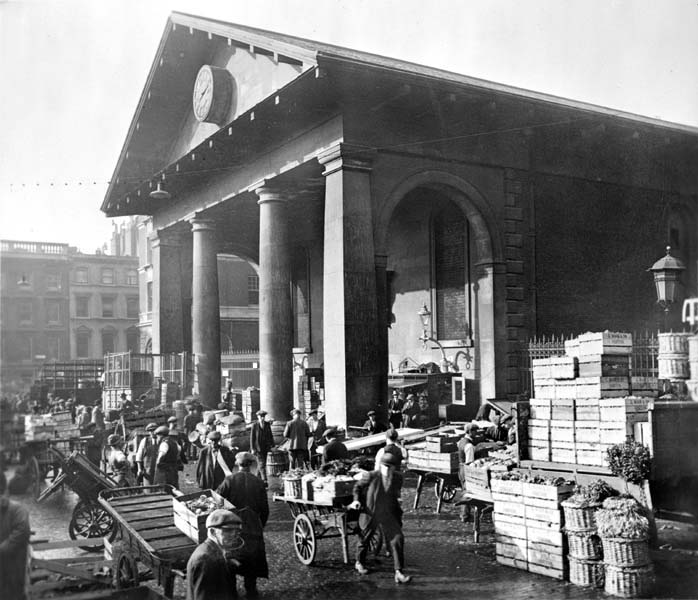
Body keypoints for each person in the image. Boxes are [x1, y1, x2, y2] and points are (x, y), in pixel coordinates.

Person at [349, 453, 412, 583]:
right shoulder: (371, 476)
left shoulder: (397, 478)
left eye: (390, 467)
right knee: (365, 539)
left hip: (388, 513)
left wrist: (397, 500)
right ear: (380, 466)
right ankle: (359, 562)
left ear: (395, 468)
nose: (387, 470)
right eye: (385, 466)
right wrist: (356, 501)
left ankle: (398, 572)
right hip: (371, 512)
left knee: (398, 539)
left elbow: (396, 492)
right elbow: (357, 487)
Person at [217, 452, 269, 598]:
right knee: (251, 559)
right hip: (253, 527)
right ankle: (251, 590)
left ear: (237, 465)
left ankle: (231, 591)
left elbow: (218, 501)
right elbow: (265, 509)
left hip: (232, 526)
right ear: (250, 465)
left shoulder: (229, 480)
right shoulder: (258, 482)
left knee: (231, 557)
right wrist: (260, 525)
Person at [186, 509, 243, 600]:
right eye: (228, 530)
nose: (234, 535)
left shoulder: (213, 551)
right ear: (212, 532)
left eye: (236, 531)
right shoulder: (206, 560)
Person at [0, 472, 31, 600]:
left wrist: (2, 548)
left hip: (13, 561)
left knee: (13, 591)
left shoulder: (18, 510)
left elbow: (22, 531)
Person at [249, 410, 274, 486]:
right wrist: (252, 448)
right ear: (258, 417)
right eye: (261, 417)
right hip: (257, 448)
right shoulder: (255, 425)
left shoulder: (267, 424)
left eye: (263, 417)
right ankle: (264, 481)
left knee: (261, 465)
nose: (262, 418)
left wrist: (272, 445)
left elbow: (270, 435)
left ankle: (256, 479)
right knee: (262, 464)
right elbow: (252, 438)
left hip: (265, 448)